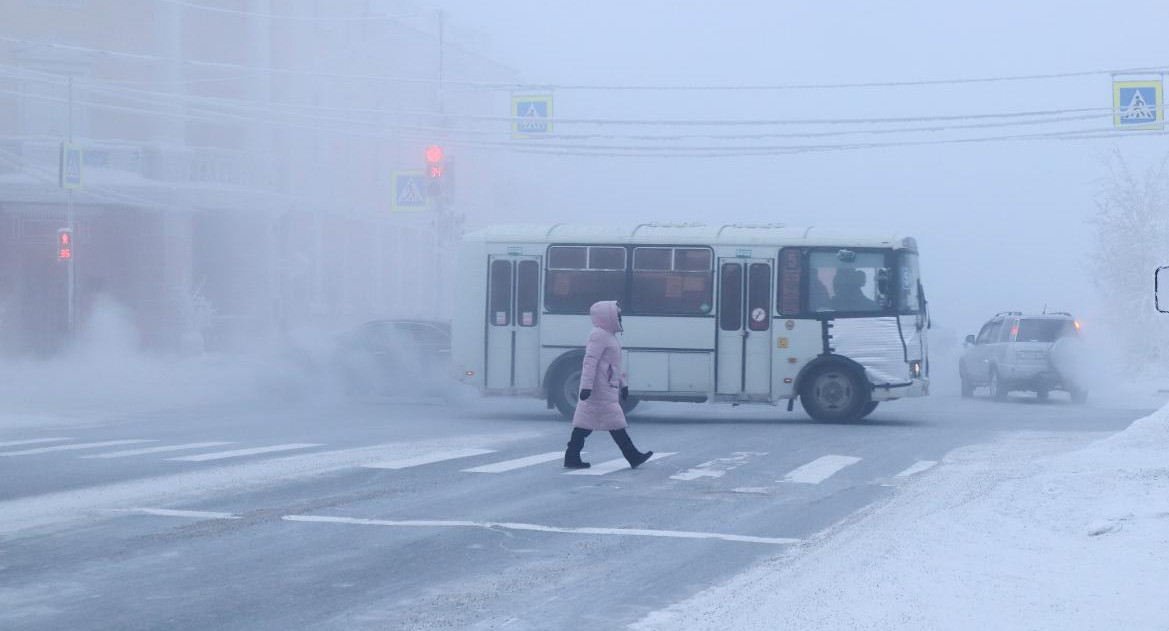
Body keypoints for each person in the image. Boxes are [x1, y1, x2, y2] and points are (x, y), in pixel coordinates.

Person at [563, 300, 654, 470]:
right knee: (614, 423)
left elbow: (613, 365)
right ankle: (633, 456)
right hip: (599, 389)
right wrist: (586, 387)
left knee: (586, 424)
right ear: (608, 316)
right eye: (617, 314)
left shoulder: (607, 335)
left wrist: (623, 384)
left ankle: (572, 456)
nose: (620, 317)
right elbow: (590, 362)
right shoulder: (599, 335)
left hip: (605, 387)